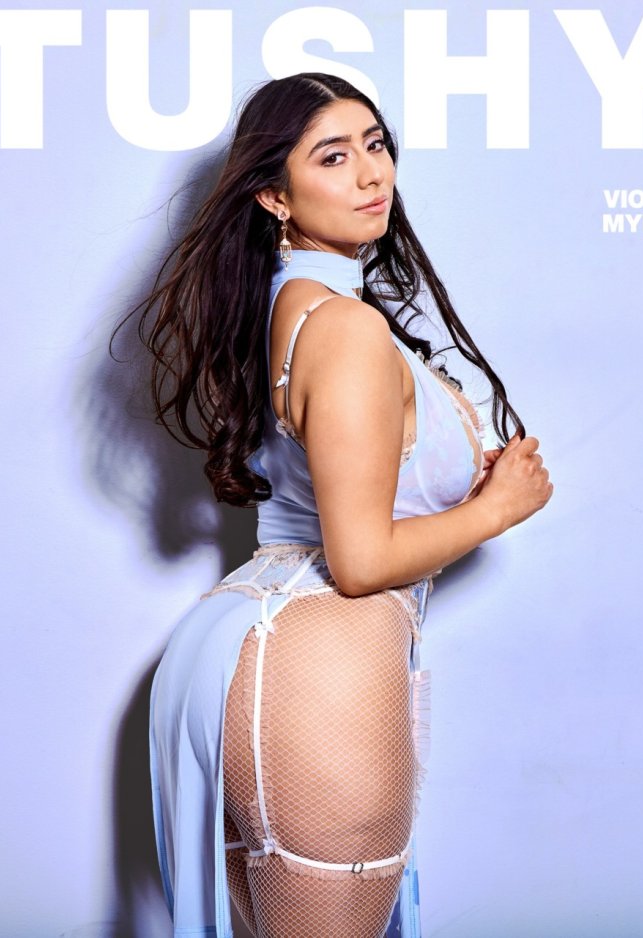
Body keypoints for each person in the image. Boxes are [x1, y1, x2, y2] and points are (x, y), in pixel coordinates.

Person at [121, 72, 552, 938]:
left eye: (376, 144)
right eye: (332, 156)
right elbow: (358, 563)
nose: (370, 173)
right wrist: (499, 507)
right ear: (274, 196)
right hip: (319, 665)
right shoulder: (346, 328)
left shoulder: (287, 310)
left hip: (243, 645)